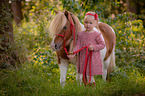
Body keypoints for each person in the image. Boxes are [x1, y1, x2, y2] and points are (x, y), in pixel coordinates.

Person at [67, 12, 105, 86]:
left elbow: (102, 45)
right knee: (83, 73)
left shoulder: (96, 34)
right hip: (83, 57)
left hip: (92, 57)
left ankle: (91, 88)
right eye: (86, 22)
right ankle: (85, 89)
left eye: (90, 23)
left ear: (95, 23)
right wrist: (74, 53)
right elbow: (78, 45)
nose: (88, 25)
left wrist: (94, 47)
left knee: (89, 75)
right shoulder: (81, 34)